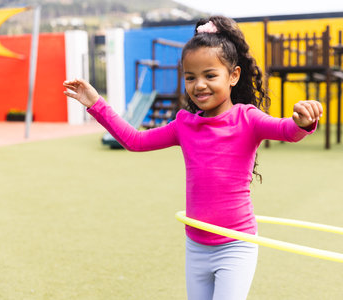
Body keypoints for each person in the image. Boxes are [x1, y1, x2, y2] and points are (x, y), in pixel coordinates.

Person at [63, 16, 322, 300]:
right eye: (190, 77)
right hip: (196, 245)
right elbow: (135, 141)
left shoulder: (247, 119)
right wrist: (96, 104)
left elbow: (287, 130)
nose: (199, 85)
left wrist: (303, 121)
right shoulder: (184, 125)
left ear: (233, 76)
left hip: (236, 245)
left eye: (210, 76)